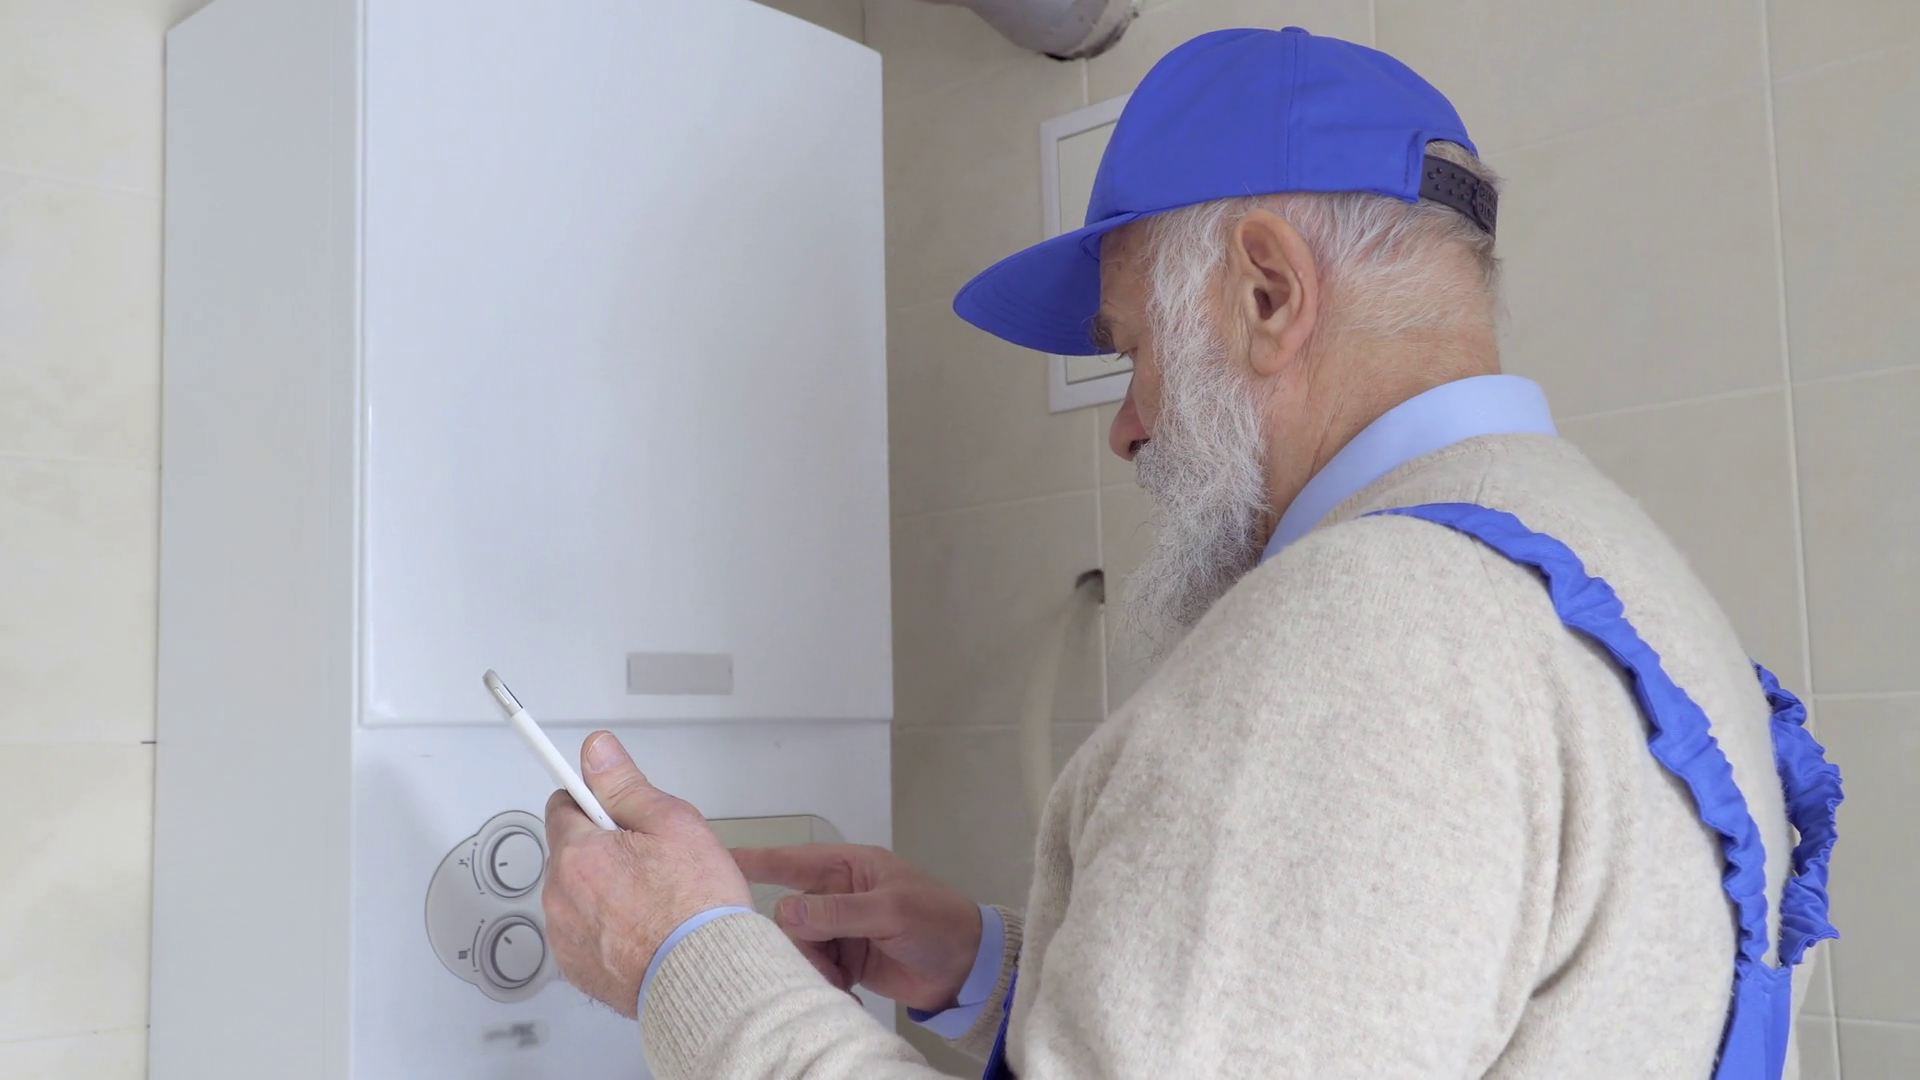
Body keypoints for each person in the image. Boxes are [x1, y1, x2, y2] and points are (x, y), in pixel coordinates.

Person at [539, 27, 1842, 1080]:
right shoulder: (1602, 567)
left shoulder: (1372, 639)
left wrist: (686, 964)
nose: (1127, 426)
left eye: (1132, 349)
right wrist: (990, 968)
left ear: (1269, 293)